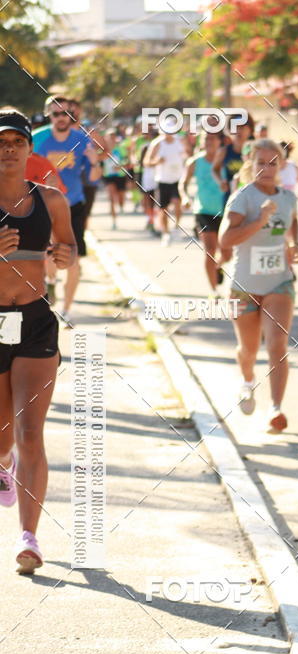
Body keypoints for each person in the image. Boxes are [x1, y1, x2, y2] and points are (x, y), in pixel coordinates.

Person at [0, 109, 76, 573]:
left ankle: (29, 538)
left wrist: (63, 256)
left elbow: (65, 253)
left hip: (33, 320)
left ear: (30, 150)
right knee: (3, 434)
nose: (7, 148)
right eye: (0, 141)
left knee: (31, 432)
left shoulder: (51, 200)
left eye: (16, 141)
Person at [218, 139, 298, 433]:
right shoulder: (243, 198)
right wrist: (261, 219)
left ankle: (276, 408)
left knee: (278, 345)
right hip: (243, 286)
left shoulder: (288, 198)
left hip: (279, 282)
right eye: (260, 162)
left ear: (282, 167)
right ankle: (248, 380)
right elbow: (225, 241)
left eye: (272, 163)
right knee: (249, 350)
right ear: (250, 165)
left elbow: (292, 223)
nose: (266, 168)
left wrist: (294, 245)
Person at [33, 95, 101, 325]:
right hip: (43, 205)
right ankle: (50, 283)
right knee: (46, 256)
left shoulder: (82, 140)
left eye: (66, 113)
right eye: (56, 113)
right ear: (48, 115)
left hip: (73, 205)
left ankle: (67, 310)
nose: (61, 118)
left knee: (74, 260)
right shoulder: (37, 139)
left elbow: (93, 178)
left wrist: (95, 162)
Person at [180, 132, 226, 297]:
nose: (209, 142)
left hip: (226, 211)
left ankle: (218, 266)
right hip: (203, 211)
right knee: (210, 250)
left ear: (219, 141)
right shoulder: (195, 162)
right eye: (206, 138)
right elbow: (183, 183)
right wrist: (185, 197)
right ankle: (214, 291)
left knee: (228, 252)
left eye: (212, 138)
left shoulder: (224, 160)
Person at [145, 124, 187, 245]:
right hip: (162, 180)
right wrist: (156, 161)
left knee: (178, 203)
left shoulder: (180, 141)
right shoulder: (157, 144)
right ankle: (166, 233)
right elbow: (146, 162)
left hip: (178, 179)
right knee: (163, 209)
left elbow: (188, 154)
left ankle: (176, 227)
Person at [102, 130, 128, 229]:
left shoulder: (121, 149)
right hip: (108, 177)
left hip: (120, 176)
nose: (111, 140)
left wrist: (120, 166)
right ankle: (114, 221)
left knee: (120, 197)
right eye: (109, 137)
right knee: (112, 198)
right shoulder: (102, 149)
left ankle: (121, 206)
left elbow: (126, 160)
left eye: (113, 137)